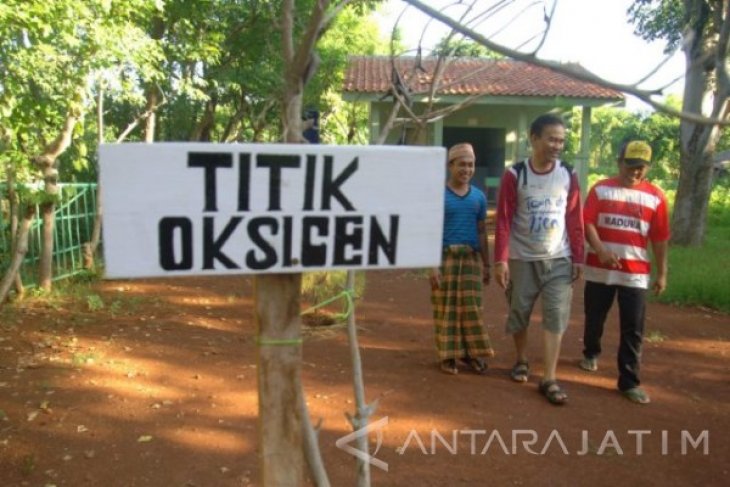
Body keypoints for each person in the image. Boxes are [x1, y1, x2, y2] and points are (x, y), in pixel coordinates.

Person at [494, 113, 584, 405]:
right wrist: (501, 260)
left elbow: (574, 216)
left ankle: (550, 378)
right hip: (522, 258)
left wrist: (579, 256)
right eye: (551, 139)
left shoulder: (567, 174)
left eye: (561, 140)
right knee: (519, 311)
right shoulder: (515, 175)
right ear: (534, 139)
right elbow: (504, 220)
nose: (557, 145)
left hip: (559, 257)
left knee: (555, 315)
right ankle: (521, 359)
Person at [579, 140, 669, 405]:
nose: (635, 172)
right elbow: (587, 222)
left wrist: (663, 273)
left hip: (636, 273)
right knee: (595, 316)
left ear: (648, 167)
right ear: (620, 162)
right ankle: (591, 352)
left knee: (634, 327)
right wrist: (601, 249)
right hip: (599, 269)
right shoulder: (601, 189)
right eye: (630, 165)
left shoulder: (656, 196)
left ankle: (629, 381)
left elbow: (661, 238)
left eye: (640, 167)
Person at [430, 142, 495, 375]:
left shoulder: (478, 197)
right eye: (461, 164)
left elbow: (481, 231)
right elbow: (431, 232)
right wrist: (432, 266)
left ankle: (471, 354)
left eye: (471, 165)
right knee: (446, 308)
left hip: (471, 260)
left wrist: (486, 265)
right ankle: (448, 357)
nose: (466, 169)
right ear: (450, 165)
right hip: (445, 259)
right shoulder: (438, 196)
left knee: (472, 309)